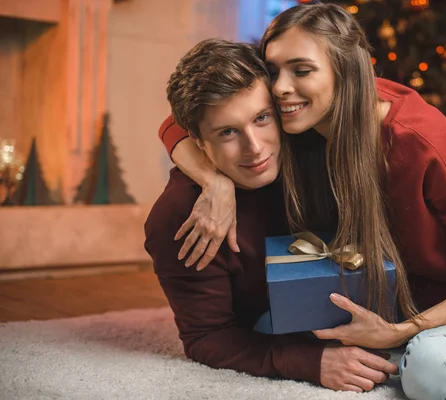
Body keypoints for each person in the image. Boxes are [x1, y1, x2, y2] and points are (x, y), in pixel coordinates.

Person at [157, 3, 446, 399]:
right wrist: (215, 182)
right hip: (405, 298)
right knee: (268, 328)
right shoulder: (302, 119)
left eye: (302, 70)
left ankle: (421, 352)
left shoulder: (424, 145)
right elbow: (186, 118)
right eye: (274, 71)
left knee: (430, 373)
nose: (280, 87)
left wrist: (402, 332)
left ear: (346, 69)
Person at [144, 38, 400, 393]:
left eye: (261, 118)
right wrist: (309, 361)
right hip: (270, 329)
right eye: (228, 132)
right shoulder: (180, 218)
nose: (255, 147)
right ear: (198, 142)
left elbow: (369, 91)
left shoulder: (308, 137)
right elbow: (206, 338)